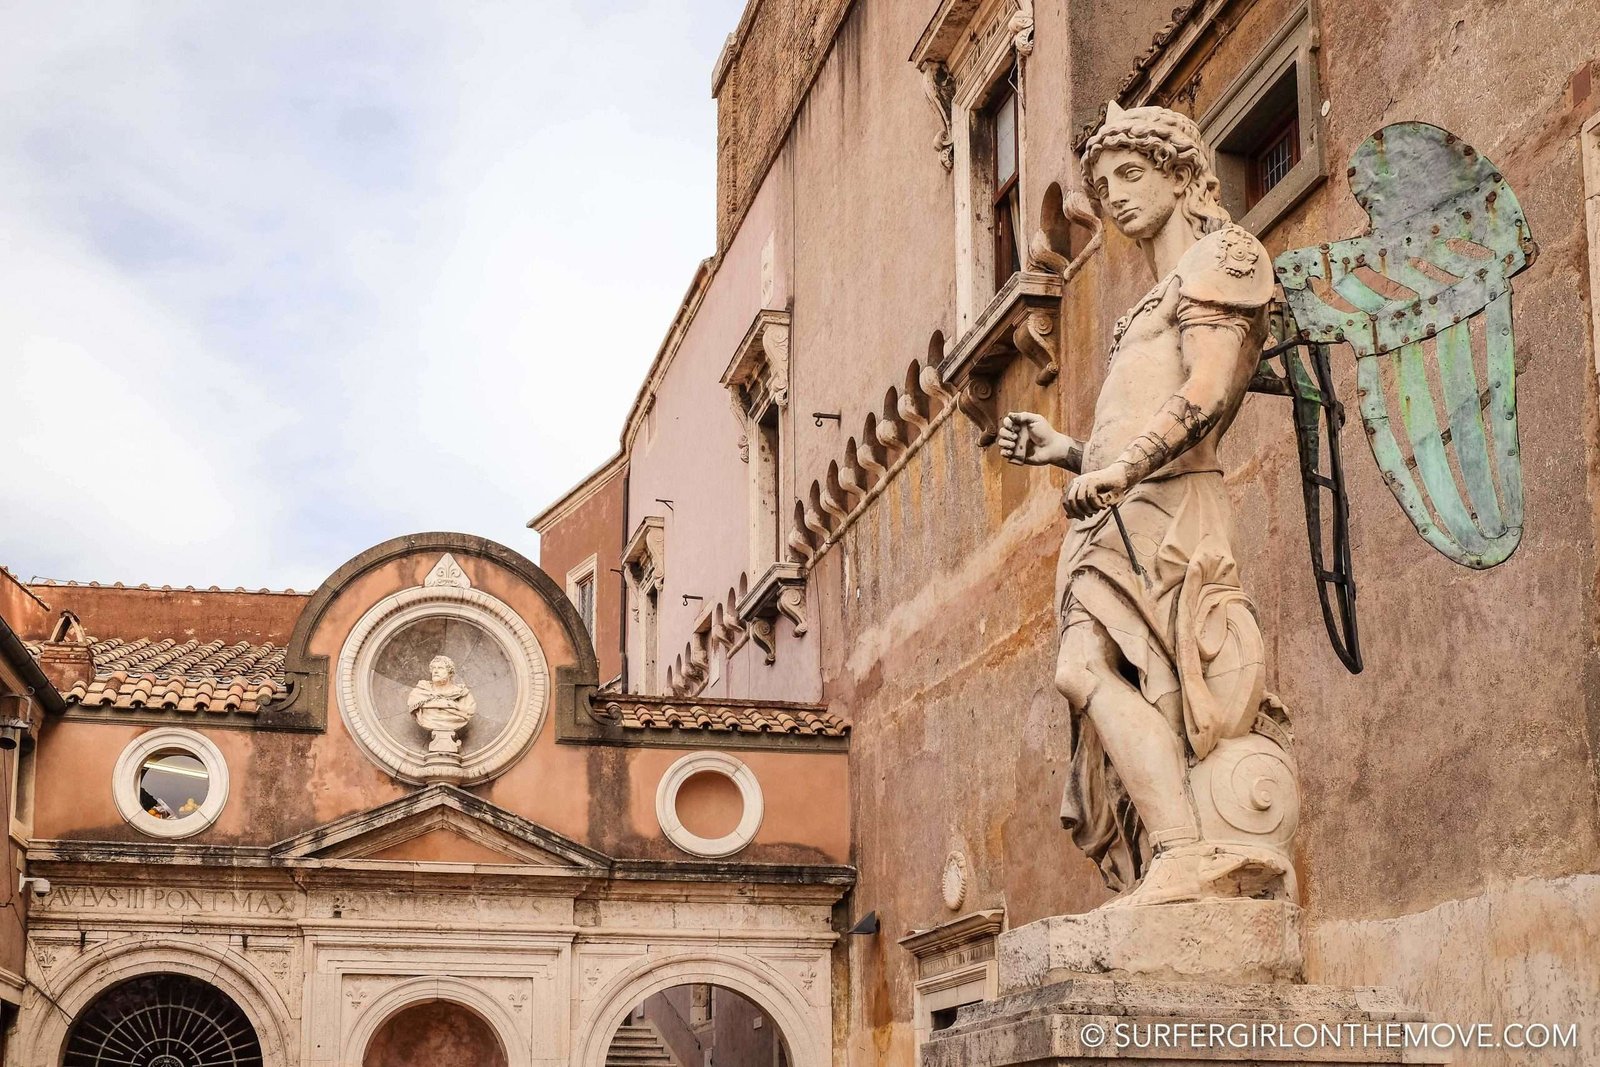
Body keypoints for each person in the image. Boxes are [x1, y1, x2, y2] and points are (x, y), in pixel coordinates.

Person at [998, 103, 1276, 907]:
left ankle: (1187, 849)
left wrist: (1120, 471)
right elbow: (1130, 428)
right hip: (1116, 514)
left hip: (1172, 514)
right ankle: (1174, 847)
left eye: (1132, 174)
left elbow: (1209, 388)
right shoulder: (1143, 307)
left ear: (1181, 174)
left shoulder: (1224, 259)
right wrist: (1069, 451)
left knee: (1102, 673)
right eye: (1104, 182)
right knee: (1088, 672)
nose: (1114, 196)